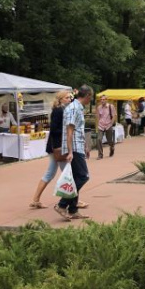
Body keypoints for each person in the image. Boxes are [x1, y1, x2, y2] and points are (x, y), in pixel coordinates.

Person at [55, 85, 94, 220]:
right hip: (73, 148)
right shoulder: (73, 108)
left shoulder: (77, 108)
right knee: (83, 176)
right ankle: (62, 204)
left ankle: (73, 209)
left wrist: (84, 147)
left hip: (77, 146)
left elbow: (77, 130)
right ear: (88, 95)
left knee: (76, 178)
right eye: (91, 97)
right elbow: (69, 131)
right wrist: (71, 151)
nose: (91, 100)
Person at [30, 90, 73, 208]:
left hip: (55, 147)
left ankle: (35, 199)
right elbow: (54, 129)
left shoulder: (62, 109)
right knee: (68, 173)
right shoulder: (59, 110)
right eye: (67, 98)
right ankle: (72, 201)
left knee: (50, 174)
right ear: (60, 99)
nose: (70, 99)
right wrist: (67, 130)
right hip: (57, 147)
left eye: (70, 97)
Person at [95, 95, 116, 159]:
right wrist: (98, 124)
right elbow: (98, 116)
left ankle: (112, 148)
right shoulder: (99, 107)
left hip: (108, 125)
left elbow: (114, 115)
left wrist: (111, 124)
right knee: (99, 139)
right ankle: (100, 155)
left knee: (109, 140)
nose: (102, 101)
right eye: (101, 99)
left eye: (104, 99)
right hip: (101, 126)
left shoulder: (110, 106)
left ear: (106, 100)